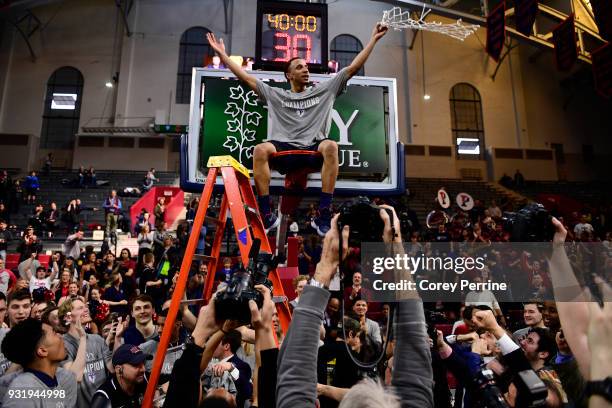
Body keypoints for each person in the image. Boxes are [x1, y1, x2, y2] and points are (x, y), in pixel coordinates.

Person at [206, 23, 388, 236]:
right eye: (300, 67)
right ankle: (266, 213)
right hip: (284, 151)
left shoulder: (325, 90)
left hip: (312, 150)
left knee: (330, 145)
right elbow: (245, 77)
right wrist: (222, 55)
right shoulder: (275, 94)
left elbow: (352, 68)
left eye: (306, 67)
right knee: (260, 150)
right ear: (289, 76)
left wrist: (373, 40)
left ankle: (323, 212)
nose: (306, 69)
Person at [0, 318, 86, 408]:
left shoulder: (64, 378)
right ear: (42, 351)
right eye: (54, 333)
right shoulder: (23, 392)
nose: (61, 336)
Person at [59, 298, 113, 408]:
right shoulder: (61, 344)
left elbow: (112, 369)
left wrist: (117, 339)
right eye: (80, 308)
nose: (86, 310)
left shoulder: (97, 339)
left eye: (85, 307)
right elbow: (74, 378)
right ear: (68, 317)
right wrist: (82, 338)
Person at [90, 343, 150, 407]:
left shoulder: (145, 378)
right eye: (136, 364)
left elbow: (161, 384)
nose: (143, 369)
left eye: (143, 362)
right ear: (118, 369)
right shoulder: (104, 397)